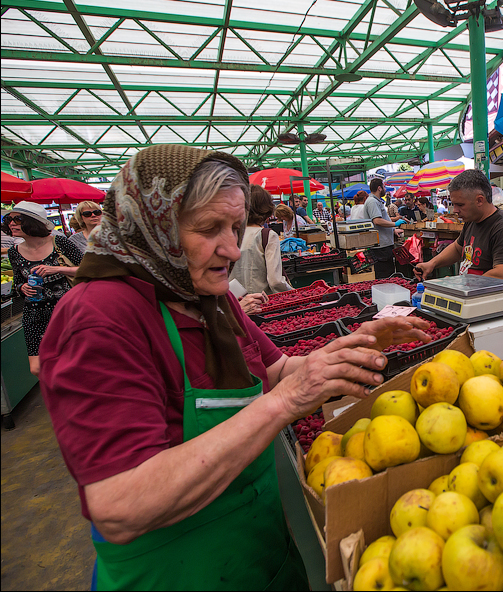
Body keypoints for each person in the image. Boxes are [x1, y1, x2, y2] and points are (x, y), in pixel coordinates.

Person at [38, 144, 431, 591]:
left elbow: (278, 370)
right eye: (209, 228)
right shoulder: (98, 318)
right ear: (151, 226)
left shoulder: (211, 296)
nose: (230, 246)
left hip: (259, 558)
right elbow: (121, 505)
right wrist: (284, 403)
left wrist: (343, 349)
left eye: (236, 225)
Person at [6, 201, 83, 376]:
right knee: (37, 367)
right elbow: (17, 283)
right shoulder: (14, 252)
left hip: (66, 310)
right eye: (9, 220)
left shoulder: (59, 243)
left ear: (33, 222)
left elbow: (87, 268)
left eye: (17, 219)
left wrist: (57, 269)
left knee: (73, 360)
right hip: (34, 313)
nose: (11, 224)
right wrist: (22, 287)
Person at [414, 169, 503, 282]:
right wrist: (431, 264)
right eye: (453, 204)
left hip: (492, 298)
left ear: (480, 200)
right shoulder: (472, 221)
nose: (455, 210)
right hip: (471, 296)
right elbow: (458, 248)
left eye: (460, 205)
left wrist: (459, 283)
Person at [231, 185, 292, 296]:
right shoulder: (267, 236)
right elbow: (276, 281)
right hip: (260, 304)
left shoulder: (229, 235)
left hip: (235, 305)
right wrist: (294, 293)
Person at [365, 178, 405, 279]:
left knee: (389, 273)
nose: (385, 189)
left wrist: (393, 230)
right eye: (384, 186)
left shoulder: (376, 201)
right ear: (379, 188)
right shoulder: (372, 202)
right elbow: (377, 221)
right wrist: (395, 224)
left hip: (384, 245)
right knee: (384, 276)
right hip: (380, 248)